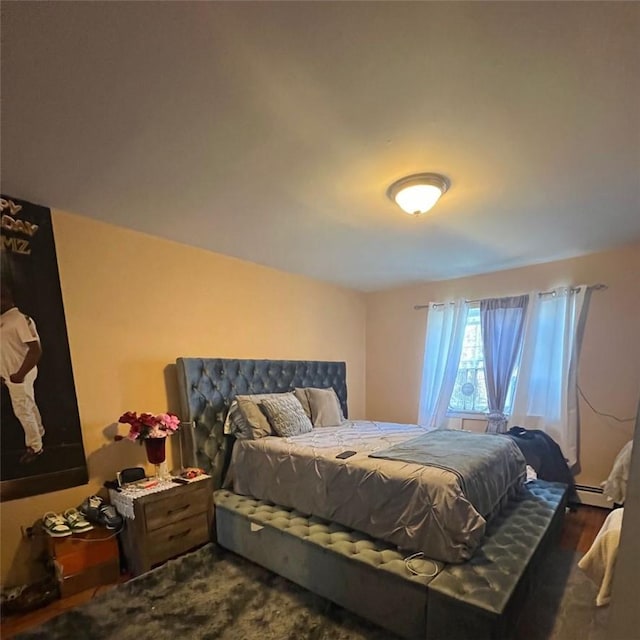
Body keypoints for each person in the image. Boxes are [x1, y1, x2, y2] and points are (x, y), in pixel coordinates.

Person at [0, 279, 45, 463]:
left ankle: (35, 448)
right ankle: (40, 433)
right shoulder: (3, 320)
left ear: (6, 298)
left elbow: (35, 350)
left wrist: (19, 375)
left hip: (20, 374)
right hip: (10, 375)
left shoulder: (20, 319)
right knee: (28, 405)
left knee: (22, 410)